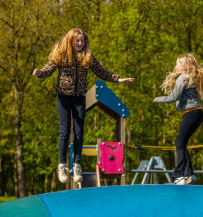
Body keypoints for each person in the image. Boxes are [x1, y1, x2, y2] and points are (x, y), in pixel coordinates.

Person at [33, 28, 134, 184]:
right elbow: (49, 69)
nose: (80, 43)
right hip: (63, 98)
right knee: (65, 131)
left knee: (79, 132)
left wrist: (118, 79)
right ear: (71, 40)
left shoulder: (87, 56)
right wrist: (40, 73)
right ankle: (62, 165)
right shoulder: (61, 53)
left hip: (79, 98)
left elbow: (101, 72)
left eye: (82, 41)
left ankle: (76, 165)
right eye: (77, 40)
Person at [153, 53, 203, 185]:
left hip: (191, 113)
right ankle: (189, 175)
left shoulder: (182, 77)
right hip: (197, 113)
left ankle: (179, 176)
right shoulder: (191, 77)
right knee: (183, 144)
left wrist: (157, 99)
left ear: (183, 65)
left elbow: (174, 97)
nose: (175, 66)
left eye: (177, 63)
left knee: (179, 145)